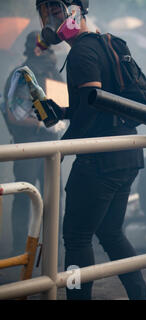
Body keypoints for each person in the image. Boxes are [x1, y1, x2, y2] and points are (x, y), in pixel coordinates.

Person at [35, 0, 146, 300]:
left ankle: (77, 298)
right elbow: (97, 102)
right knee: (111, 233)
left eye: (56, 10)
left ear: (76, 11)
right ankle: (141, 297)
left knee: (76, 238)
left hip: (99, 160)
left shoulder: (82, 52)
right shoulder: (102, 44)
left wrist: (62, 148)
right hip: (126, 152)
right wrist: (62, 111)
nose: (51, 19)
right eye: (45, 13)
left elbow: (90, 107)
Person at [2, 31, 64, 256]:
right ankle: (20, 249)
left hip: (51, 145)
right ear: (36, 49)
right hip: (28, 144)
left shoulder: (54, 73)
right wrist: (40, 125)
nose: (49, 51)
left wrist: (58, 122)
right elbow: (13, 115)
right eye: (45, 47)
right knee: (25, 194)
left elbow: (61, 105)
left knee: (53, 197)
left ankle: (52, 249)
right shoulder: (22, 75)